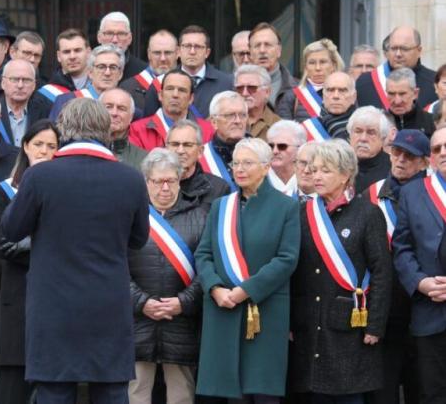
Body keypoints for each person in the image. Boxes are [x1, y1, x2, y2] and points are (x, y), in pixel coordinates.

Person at [1, 98, 150, 403]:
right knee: (110, 391)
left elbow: (11, 229)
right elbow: (138, 239)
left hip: (53, 307)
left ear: (64, 129)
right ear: (105, 130)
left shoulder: (40, 175)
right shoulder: (131, 178)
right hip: (109, 304)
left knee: (54, 391)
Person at [195, 137, 300, 401]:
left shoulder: (286, 206)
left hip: (264, 310)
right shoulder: (222, 206)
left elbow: (286, 259)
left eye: (247, 163)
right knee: (231, 391)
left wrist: (246, 291)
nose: (239, 169)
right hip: (223, 308)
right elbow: (204, 253)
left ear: (266, 167)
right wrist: (215, 288)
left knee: (262, 390)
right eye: (236, 163)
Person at [290, 139, 392, 402]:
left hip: (349, 323)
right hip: (310, 322)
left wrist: (375, 326)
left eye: (326, 170)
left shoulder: (367, 213)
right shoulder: (303, 213)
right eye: (314, 169)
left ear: (346, 174)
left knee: (346, 395)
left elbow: (381, 272)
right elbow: (296, 272)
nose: (317, 176)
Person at [0, 119, 59, 404]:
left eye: (52, 146)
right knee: (14, 384)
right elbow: (3, 246)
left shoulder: (66, 190)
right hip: (17, 293)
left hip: (55, 297)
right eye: (38, 144)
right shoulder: (4, 191)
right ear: (26, 147)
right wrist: (46, 246)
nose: (44, 151)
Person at [128, 148, 207, 404]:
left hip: (182, 323)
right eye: (157, 181)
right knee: (135, 393)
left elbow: (208, 268)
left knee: (181, 395)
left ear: (180, 179)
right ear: (146, 181)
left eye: (171, 180)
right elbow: (117, 268)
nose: (165, 187)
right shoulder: (130, 216)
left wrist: (184, 302)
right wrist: (142, 302)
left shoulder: (199, 216)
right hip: (137, 322)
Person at [363, 129, 428, 404]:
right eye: (396, 152)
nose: (400, 160)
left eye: (409, 156)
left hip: (423, 303)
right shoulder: (371, 193)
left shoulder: (434, 194)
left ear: (424, 162)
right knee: (384, 389)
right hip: (385, 307)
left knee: (423, 385)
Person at [393, 125, 446, 404]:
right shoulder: (412, 193)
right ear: (430, 158)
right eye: (437, 148)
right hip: (430, 309)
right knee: (431, 393)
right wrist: (420, 283)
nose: (444, 152)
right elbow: (402, 249)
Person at [143, 25, 234, 118]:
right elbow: (149, 124)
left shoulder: (226, 83)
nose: (192, 51)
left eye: (198, 47)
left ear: (207, 52)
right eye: (187, 46)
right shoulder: (160, 83)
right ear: (178, 51)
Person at [130, 69, 214, 151]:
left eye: (182, 90)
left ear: (191, 99)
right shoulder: (137, 130)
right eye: (170, 89)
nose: (175, 95)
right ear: (160, 95)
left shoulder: (208, 131)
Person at [356, 26, 437, 109]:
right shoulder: (366, 83)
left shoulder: (435, 83)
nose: (398, 54)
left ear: (419, 50)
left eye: (404, 49)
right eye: (394, 49)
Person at [50, 44, 125, 120]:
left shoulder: (127, 107)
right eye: (101, 67)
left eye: (113, 67)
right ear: (90, 72)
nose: (107, 73)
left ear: (120, 74)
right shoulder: (66, 102)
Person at [277, 38, 344, 121]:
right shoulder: (292, 97)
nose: (318, 68)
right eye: (312, 63)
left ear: (333, 65)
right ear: (305, 67)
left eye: (323, 62)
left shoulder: (345, 93)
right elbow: (283, 131)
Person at [166, 120, 229, 207]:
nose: (180, 151)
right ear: (166, 149)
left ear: (200, 151)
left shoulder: (219, 189)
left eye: (187, 145)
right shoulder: (150, 185)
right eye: (175, 144)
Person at [119, 30, 178, 111]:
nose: (163, 58)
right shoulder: (127, 88)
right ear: (149, 54)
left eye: (168, 53)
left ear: (178, 53)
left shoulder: (190, 84)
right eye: (157, 53)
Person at [0, 59, 51, 147]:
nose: (20, 85)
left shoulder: (46, 111)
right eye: (14, 79)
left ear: (34, 85)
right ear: (3, 83)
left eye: (26, 80)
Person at [202, 91, 248, 188]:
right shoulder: (201, 156)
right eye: (230, 115)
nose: (238, 121)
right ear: (214, 122)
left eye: (242, 115)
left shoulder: (259, 152)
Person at [248, 22, 297, 109]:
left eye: (267, 45)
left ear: (279, 50)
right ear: (250, 52)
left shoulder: (300, 89)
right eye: (257, 45)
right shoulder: (237, 88)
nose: (262, 50)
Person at [36, 28, 91, 104]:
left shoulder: (100, 87)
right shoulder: (45, 95)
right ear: (58, 56)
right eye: (66, 52)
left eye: (77, 50)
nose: (72, 56)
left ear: (88, 52)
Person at [303, 71, 358, 142]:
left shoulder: (364, 129)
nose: (336, 96)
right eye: (330, 90)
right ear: (323, 95)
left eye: (342, 90)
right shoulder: (308, 129)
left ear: (354, 96)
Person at [348, 106, 392, 191]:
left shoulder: (393, 168)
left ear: (383, 138)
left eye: (371, 133)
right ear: (350, 135)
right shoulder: (337, 166)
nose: (363, 138)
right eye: (358, 131)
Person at [101, 88, 147, 169]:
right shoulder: (85, 151)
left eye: (121, 108)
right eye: (108, 107)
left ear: (131, 117)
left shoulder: (144, 159)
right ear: (98, 112)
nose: (114, 113)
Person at [96, 11, 147, 81]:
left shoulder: (143, 72)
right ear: (99, 37)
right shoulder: (87, 69)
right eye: (109, 33)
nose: (115, 40)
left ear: (129, 38)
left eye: (121, 34)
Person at [234, 64, 280, 141]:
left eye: (252, 88)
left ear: (267, 92)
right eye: (240, 88)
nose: (245, 93)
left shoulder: (279, 126)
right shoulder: (221, 120)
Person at [385, 67, 435, 136]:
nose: (397, 101)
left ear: (415, 94)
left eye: (402, 94)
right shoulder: (378, 124)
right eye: (391, 94)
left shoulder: (432, 123)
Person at [266, 120, 307, 197]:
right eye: (271, 146)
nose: (275, 151)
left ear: (299, 148)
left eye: (282, 146)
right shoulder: (257, 178)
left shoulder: (310, 179)